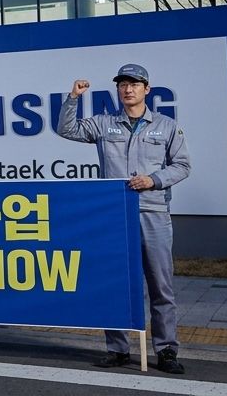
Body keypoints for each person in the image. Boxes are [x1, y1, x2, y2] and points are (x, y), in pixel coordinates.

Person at [59, 63, 191, 375]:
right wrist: (73, 98)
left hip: (152, 213)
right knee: (115, 282)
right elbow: (67, 129)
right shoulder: (104, 124)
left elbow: (183, 165)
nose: (128, 89)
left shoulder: (166, 126)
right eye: (122, 84)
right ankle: (117, 349)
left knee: (160, 285)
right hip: (115, 215)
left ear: (147, 89)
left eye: (134, 84)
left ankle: (166, 350)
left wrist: (154, 180)